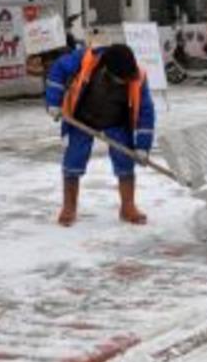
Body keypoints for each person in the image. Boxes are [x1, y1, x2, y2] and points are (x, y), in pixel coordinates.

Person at [45, 44, 155, 226]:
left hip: (117, 119)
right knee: (74, 159)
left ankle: (128, 207)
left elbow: (146, 112)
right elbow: (58, 69)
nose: (125, 82)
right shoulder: (85, 59)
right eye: (121, 79)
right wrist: (53, 102)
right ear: (107, 70)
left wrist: (143, 147)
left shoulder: (137, 77)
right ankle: (69, 207)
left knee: (125, 160)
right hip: (82, 116)